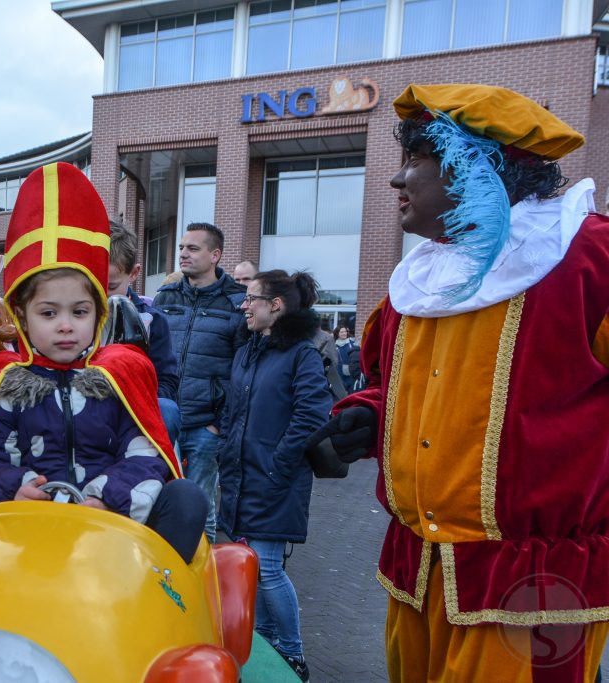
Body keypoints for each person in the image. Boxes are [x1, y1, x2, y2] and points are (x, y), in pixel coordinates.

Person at [306, 84, 609, 681]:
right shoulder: (419, 276)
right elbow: (398, 384)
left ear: (478, 167)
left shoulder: (587, 258)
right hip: (418, 570)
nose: (396, 181)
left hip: (533, 584)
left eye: (416, 161)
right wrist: (368, 417)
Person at [0, 162, 207, 565]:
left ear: (97, 314)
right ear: (22, 316)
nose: (66, 326)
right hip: (26, 530)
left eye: (79, 312)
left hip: (110, 528)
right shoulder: (6, 380)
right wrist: (17, 487)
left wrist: (103, 496)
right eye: (49, 314)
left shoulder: (117, 374)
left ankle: (161, 594)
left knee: (187, 498)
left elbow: (146, 455)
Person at [218, 269, 331, 682]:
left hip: (274, 480)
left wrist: (277, 464)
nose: (243, 306)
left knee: (266, 568)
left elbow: (312, 415)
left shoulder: (300, 354)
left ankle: (294, 652)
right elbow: (235, 409)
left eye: (251, 298)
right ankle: (264, 641)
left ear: (276, 305)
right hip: (243, 478)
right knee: (252, 565)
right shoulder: (250, 349)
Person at [153, 222, 247, 541]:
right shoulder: (166, 295)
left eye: (192, 248)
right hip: (165, 418)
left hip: (206, 426)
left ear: (215, 255)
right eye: (181, 247)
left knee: (202, 507)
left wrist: (219, 424)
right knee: (160, 500)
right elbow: (151, 355)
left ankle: (203, 582)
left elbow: (242, 370)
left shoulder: (237, 302)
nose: (183, 254)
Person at [107, 220, 181, 444]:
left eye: (111, 286)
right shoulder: (74, 317)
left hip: (136, 415)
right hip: (87, 412)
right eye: (91, 283)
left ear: (134, 273)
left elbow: (167, 381)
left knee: (167, 409)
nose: (102, 294)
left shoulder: (152, 320)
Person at [333, 326, 360, 394]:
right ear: (337, 334)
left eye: (345, 331)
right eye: (342, 332)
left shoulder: (352, 343)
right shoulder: (334, 346)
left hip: (352, 373)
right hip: (340, 374)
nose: (344, 333)